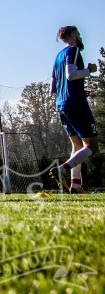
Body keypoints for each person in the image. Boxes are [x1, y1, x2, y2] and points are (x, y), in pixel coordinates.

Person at [50, 26, 99, 194]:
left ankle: (75, 185)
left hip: (61, 105)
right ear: (71, 35)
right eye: (77, 33)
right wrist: (89, 71)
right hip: (75, 103)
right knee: (92, 146)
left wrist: (77, 90)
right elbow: (71, 75)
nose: (80, 36)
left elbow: (53, 87)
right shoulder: (74, 50)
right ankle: (62, 170)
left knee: (77, 145)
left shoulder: (57, 56)